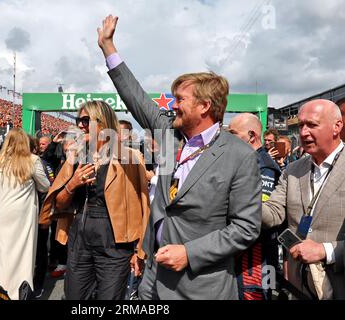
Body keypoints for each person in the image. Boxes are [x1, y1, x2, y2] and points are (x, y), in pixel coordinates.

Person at [97, 15, 261, 300]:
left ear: (204, 106)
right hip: (152, 278)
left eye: (180, 100)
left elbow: (245, 228)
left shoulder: (239, 156)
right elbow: (136, 99)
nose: (173, 106)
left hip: (201, 286)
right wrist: (108, 47)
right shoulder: (170, 136)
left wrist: (190, 252)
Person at [39, 100, 150, 300]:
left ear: (103, 123)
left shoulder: (131, 158)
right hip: (80, 239)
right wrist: (72, 184)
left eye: (85, 120)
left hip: (115, 243)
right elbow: (59, 204)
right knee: (74, 297)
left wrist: (139, 251)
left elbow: (143, 207)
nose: (80, 125)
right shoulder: (75, 158)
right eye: (78, 120)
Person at [262, 99, 345, 299]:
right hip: (299, 288)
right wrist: (242, 196)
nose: (303, 132)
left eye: (312, 125)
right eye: (300, 125)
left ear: (337, 126)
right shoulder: (293, 170)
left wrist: (325, 251)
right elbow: (273, 213)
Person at [0, 128, 50, 300]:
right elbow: (45, 186)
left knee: (1, 257)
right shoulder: (32, 160)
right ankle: (18, 293)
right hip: (20, 216)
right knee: (22, 256)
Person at [228, 113, 282, 299]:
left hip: (256, 257)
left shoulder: (264, 166)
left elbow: (259, 217)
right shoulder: (245, 161)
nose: (228, 138)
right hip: (239, 254)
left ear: (252, 135)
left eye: (233, 133)